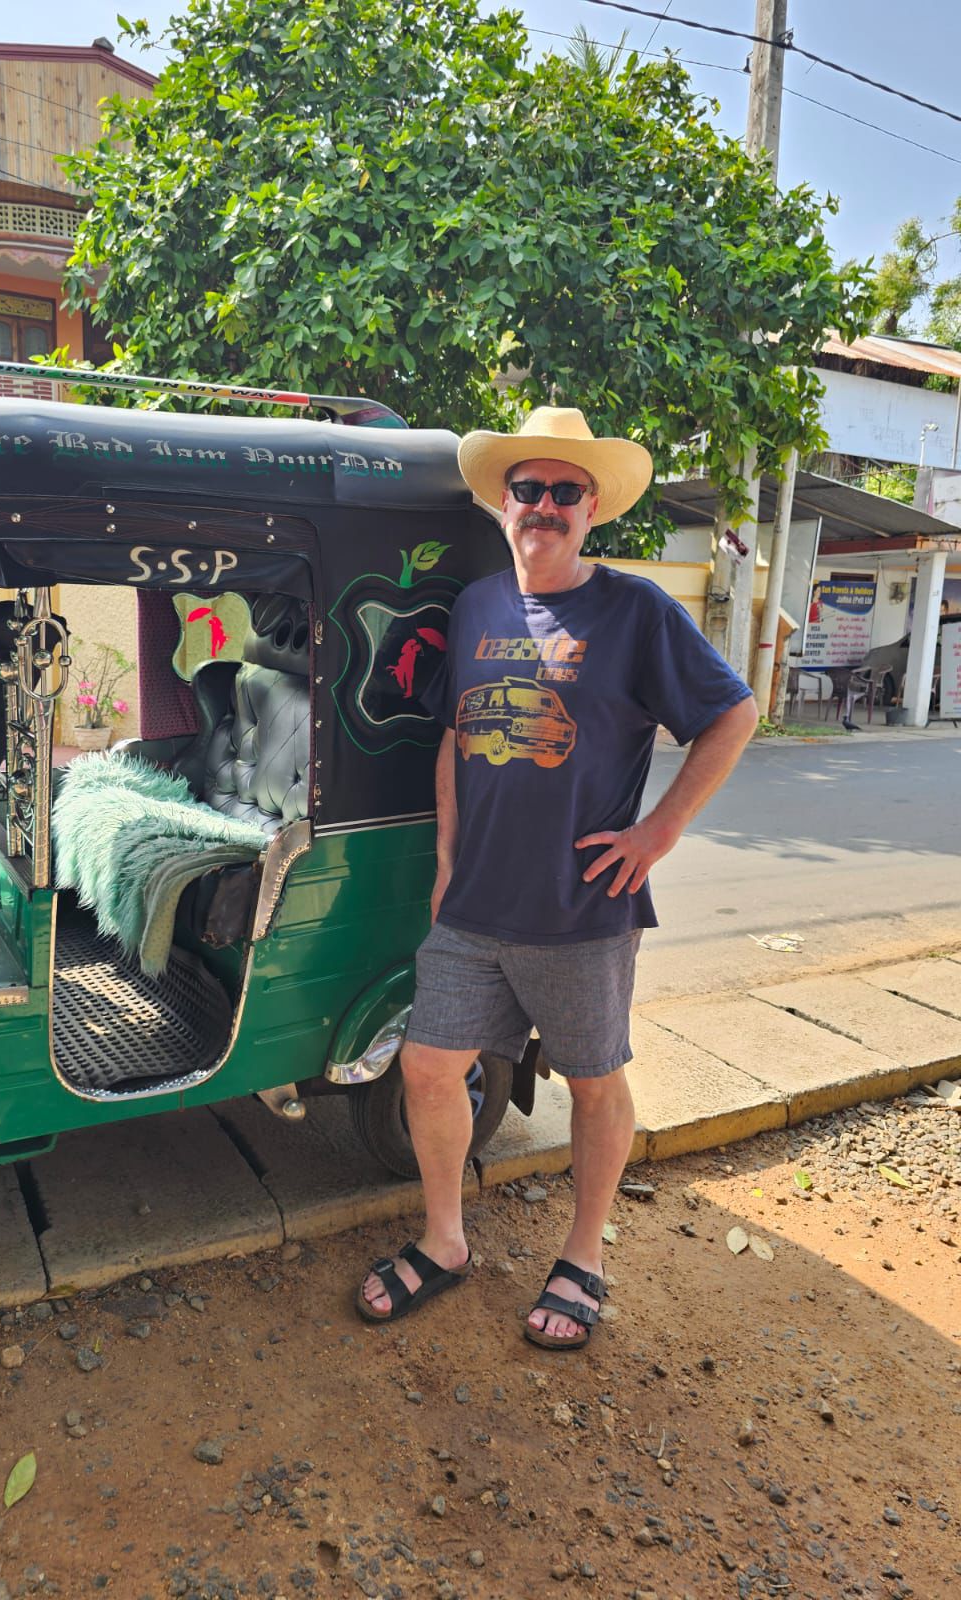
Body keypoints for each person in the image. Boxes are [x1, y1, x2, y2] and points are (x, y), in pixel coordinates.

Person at [356, 407, 758, 1350]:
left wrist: (658, 831)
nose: (543, 505)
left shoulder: (636, 611)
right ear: (504, 503)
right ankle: (446, 1241)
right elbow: (455, 736)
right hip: (474, 907)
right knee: (426, 1065)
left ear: (592, 510)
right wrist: (447, 859)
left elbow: (732, 714)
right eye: (527, 488)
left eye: (564, 491)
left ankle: (583, 1256)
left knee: (593, 1081)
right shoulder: (476, 605)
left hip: (584, 908)